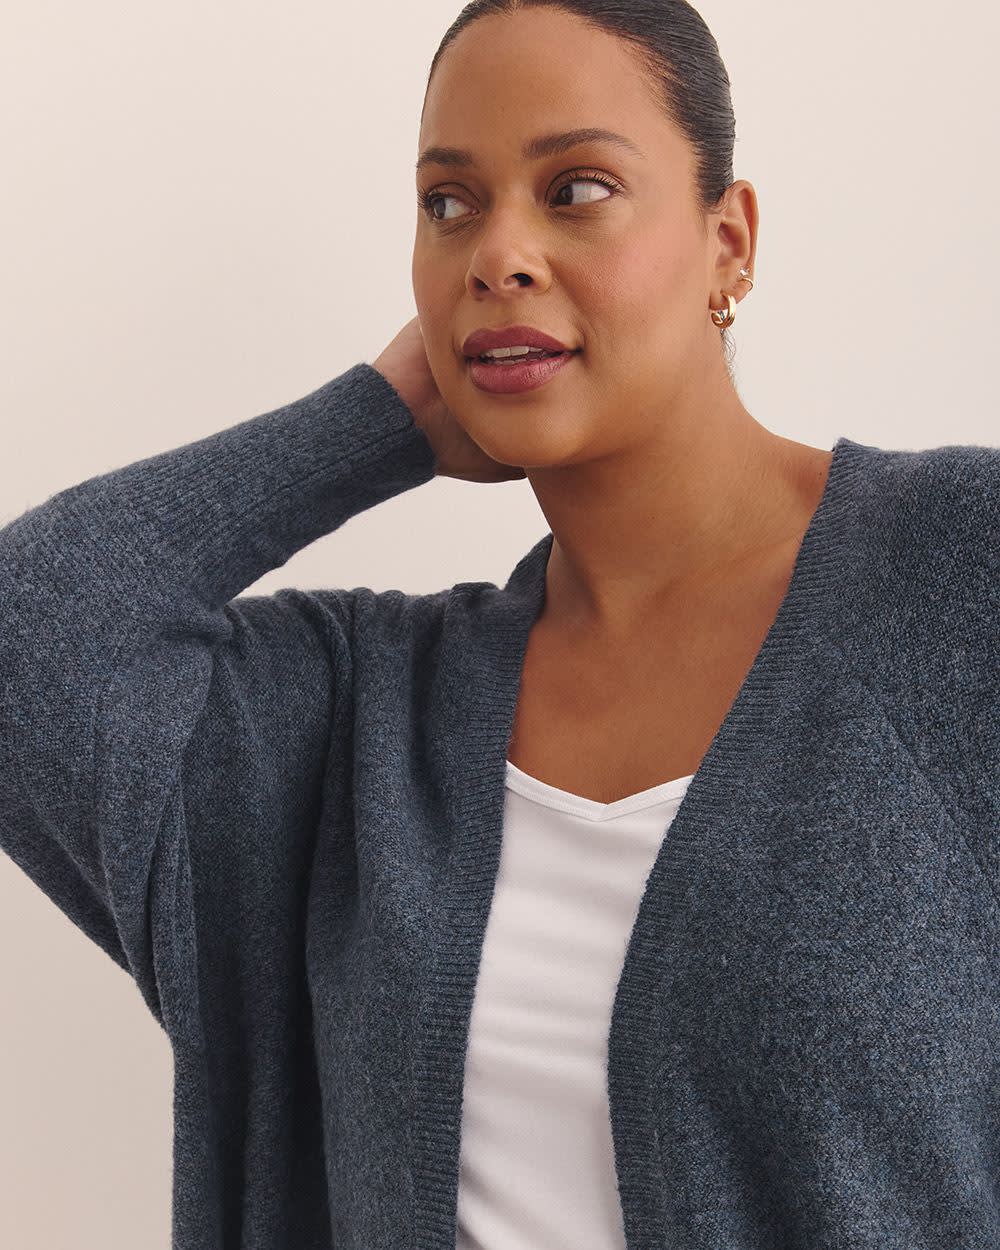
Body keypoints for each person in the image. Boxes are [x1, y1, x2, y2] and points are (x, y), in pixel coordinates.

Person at [2, 2, 998, 1249]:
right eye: (450, 203)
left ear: (728, 243)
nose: (498, 254)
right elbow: (31, 633)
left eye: (575, 189)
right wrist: (370, 423)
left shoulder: (954, 570)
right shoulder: (363, 717)